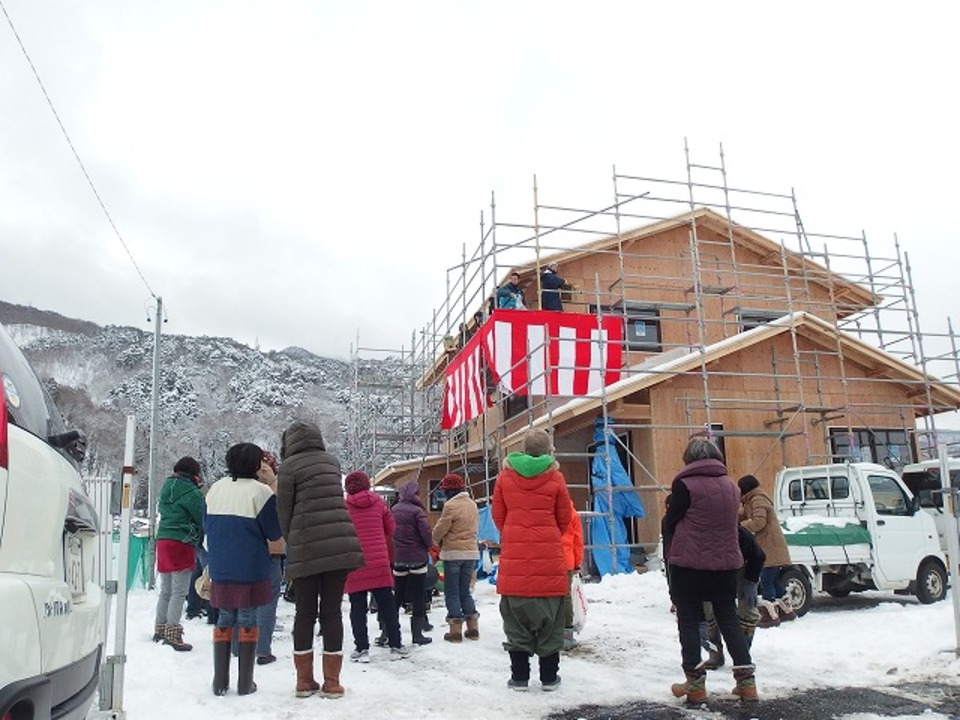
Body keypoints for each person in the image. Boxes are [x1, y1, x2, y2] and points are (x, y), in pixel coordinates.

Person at [662, 438, 758, 704]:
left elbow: (671, 521)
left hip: (689, 565)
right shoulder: (730, 486)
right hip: (725, 565)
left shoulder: (684, 485)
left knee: (690, 620)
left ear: (689, 459)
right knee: (728, 619)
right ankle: (747, 683)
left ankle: (695, 685)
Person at [277, 421, 364, 699]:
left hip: (305, 547)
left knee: (304, 613)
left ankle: (304, 681)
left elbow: (283, 512)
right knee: (332, 612)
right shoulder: (332, 461)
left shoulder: (288, 467)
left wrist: (294, 540)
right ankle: (332, 682)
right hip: (339, 544)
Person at [493, 428, 572, 691]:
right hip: (548, 558)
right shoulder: (556, 477)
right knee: (551, 623)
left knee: (515, 623)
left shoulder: (505, 477)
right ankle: (549, 678)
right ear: (549, 450)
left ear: (523, 448)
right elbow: (564, 519)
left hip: (514, 558)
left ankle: (519, 678)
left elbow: (498, 516)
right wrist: (547, 534)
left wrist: (514, 534)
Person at [204, 443, 283, 696]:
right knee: (248, 617)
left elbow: (206, 525)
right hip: (250, 565)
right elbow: (274, 532)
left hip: (220, 565)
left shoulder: (215, 489)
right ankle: (245, 682)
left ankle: (220, 681)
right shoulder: (260, 493)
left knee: (224, 617)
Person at [343, 470, 409, 662]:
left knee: (357, 606)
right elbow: (392, 528)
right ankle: (396, 644)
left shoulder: (344, 507)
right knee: (387, 604)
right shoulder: (379, 503)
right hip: (379, 560)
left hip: (355, 561)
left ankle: (362, 648)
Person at [153, 456, 205, 652]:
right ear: (193, 474)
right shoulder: (191, 492)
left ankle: (160, 627)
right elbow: (201, 516)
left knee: (165, 589)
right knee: (179, 591)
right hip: (181, 541)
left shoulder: (167, 487)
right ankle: (173, 633)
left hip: (164, 538)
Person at [701, 525, 765, 671]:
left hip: (741, 569)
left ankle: (743, 653)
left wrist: (750, 582)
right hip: (710, 570)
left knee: (748, 610)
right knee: (707, 611)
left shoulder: (740, 533)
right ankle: (715, 653)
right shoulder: (700, 532)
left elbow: (758, 556)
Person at [738, 474, 796, 627]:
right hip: (771, 545)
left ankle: (770, 613)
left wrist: (739, 528)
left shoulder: (757, 499)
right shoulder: (754, 499)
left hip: (769, 547)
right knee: (774, 580)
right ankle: (787, 610)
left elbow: (759, 522)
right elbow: (746, 515)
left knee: (766, 580)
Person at [431, 473, 480, 642]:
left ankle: (455, 631)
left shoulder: (451, 505)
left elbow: (441, 528)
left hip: (453, 553)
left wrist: (435, 541)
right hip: (471, 553)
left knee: (452, 592)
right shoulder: (472, 504)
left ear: (450, 490)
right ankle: (473, 628)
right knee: (465, 591)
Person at [389, 481, 434, 647]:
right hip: (417, 558)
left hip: (399, 558)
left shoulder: (393, 510)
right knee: (418, 594)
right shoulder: (417, 511)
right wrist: (428, 547)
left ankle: (388, 631)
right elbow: (426, 533)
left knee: (397, 595)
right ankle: (417, 635)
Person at [561, 497, 584, 651]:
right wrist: (577, 563)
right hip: (567, 559)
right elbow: (577, 541)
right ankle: (566, 634)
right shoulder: (572, 513)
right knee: (565, 596)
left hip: (548, 559)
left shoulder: (547, 510)